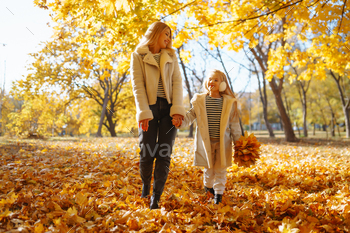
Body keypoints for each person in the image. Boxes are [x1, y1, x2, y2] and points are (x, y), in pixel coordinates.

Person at [130, 21, 186, 209]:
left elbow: (177, 83)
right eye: (166, 34)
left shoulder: (171, 55)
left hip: (169, 109)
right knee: (147, 152)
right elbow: (137, 86)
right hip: (150, 108)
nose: (169, 38)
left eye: (171, 35)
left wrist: (178, 110)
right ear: (155, 34)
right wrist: (144, 112)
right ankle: (146, 184)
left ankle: (156, 196)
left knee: (164, 153)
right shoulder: (138, 55)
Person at [174, 70, 241, 204]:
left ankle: (218, 196)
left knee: (221, 170)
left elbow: (234, 125)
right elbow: (189, 116)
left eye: (216, 80)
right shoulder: (200, 101)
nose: (212, 82)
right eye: (210, 79)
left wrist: (239, 143)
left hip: (223, 143)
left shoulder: (229, 103)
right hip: (206, 143)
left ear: (222, 84)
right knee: (209, 170)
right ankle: (208, 191)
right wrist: (180, 122)